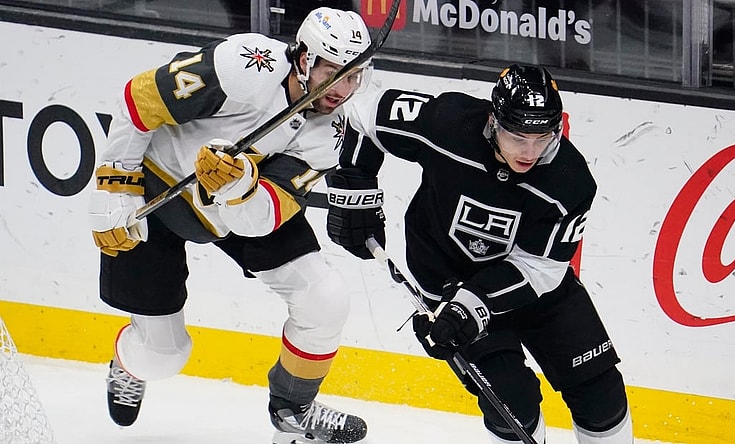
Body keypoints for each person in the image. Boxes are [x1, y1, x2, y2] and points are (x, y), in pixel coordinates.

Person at [88, 7, 372, 443]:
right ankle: (128, 364)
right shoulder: (245, 64)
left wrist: (239, 186)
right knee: (163, 356)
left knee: (325, 297)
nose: (342, 89)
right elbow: (140, 97)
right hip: (154, 186)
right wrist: (115, 183)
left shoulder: (335, 132)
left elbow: (263, 219)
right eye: (332, 72)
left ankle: (292, 415)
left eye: (354, 76)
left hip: (235, 204)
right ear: (304, 60)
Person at [326, 64, 633, 444]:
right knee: (512, 406)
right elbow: (363, 114)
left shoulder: (570, 181)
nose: (530, 152)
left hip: (532, 290)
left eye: (543, 137)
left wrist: (474, 303)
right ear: (494, 119)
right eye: (518, 136)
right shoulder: (448, 124)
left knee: (602, 398)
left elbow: (541, 268)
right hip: (447, 283)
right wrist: (355, 189)